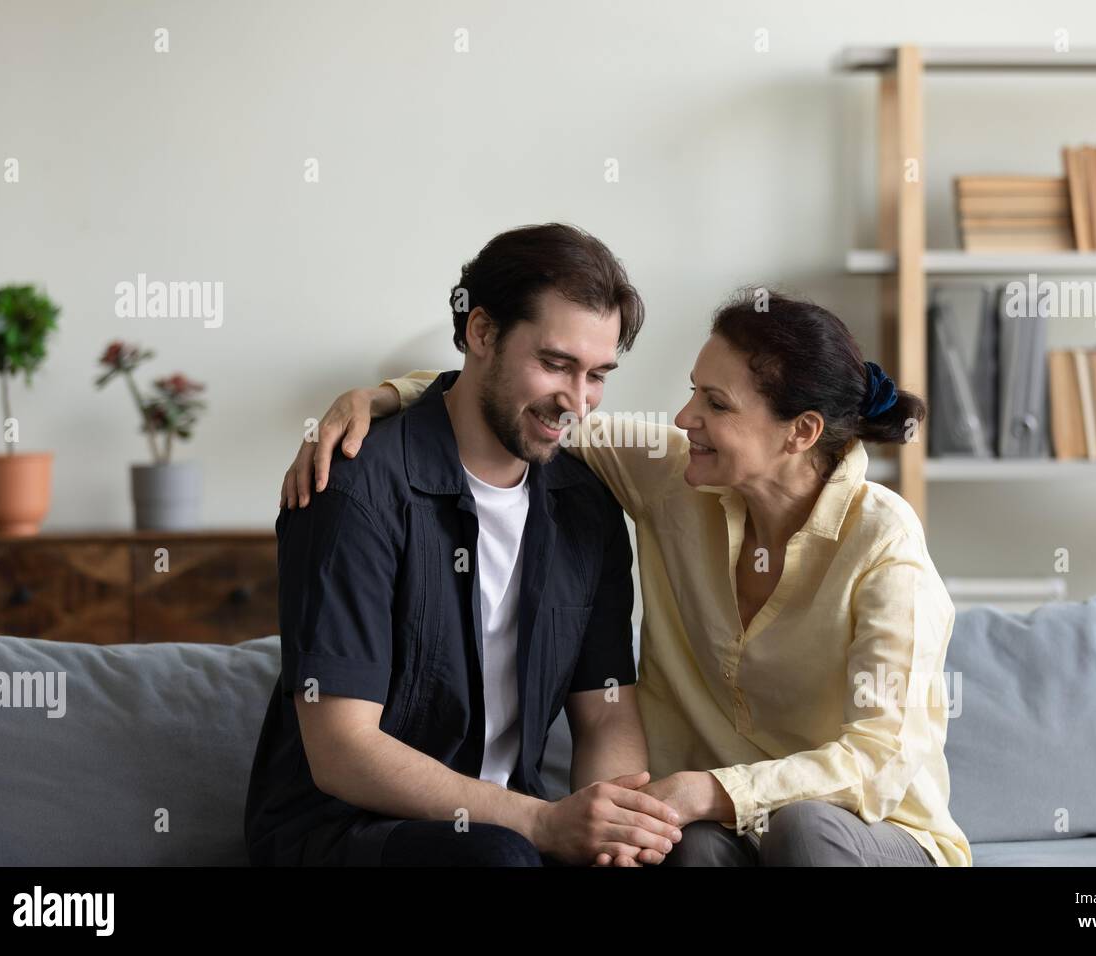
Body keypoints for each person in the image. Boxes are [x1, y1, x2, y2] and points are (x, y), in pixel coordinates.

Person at [285, 289, 974, 867]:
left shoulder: (885, 545)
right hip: (718, 829)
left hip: (869, 833)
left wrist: (709, 791)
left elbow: (881, 759)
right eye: (691, 393)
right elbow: (534, 412)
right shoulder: (676, 478)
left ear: (800, 433)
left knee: (804, 830)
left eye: (716, 404)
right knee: (687, 851)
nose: (684, 420)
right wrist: (381, 398)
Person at [244, 223, 686, 867]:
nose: (577, 401)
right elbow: (342, 750)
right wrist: (543, 823)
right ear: (481, 332)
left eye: (598, 375)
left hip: (514, 831)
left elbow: (607, 713)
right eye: (555, 363)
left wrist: (610, 833)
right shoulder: (355, 490)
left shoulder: (586, 506)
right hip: (348, 834)